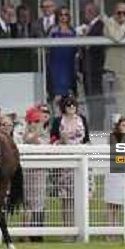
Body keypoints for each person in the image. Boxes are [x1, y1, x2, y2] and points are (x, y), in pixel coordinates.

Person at [50, 95, 90, 232]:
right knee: (66, 198)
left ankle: (80, 228)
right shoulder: (57, 121)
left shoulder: (82, 119)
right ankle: (67, 229)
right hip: (65, 162)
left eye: (73, 104)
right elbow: (52, 139)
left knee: (80, 196)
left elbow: (87, 140)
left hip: (81, 159)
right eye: (68, 105)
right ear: (63, 107)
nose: (71, 107)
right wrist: (61, 140)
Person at [104, 2, 125, 119]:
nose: (122, 16)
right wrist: (124, 28)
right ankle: (122, 122)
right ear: (114, 13)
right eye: (119, 13)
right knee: (121, 96)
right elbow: (116, 37)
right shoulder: (109, 22)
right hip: (118, 65)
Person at [22, 106, 51, 238]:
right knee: (27, 202)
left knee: (39, 202)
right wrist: (36, 133)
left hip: (40, 172)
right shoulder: (24, 134)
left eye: (39, 121)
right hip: (27, 172)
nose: (37, 124)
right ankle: (26, 233)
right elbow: (29, 139)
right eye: (34, 121)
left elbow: (47, 149)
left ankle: (37, 233)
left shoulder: (45, 134)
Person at [77, 1, 105, 131]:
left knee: (96, 97)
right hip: (88, 68)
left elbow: (93, 46)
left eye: (86, 11)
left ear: (92, 12)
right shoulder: (90, 26)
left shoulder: (99, 25)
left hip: (94, 68)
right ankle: (94, 122)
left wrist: (84, 38)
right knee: (90, 97)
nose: (84, 14)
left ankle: (97, 124)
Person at [48, 7, 78, 109]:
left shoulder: (72, 30)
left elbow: (76, 48)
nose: (63, 17)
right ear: (57, 16)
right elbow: (47, 45)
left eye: (66, 15)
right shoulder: (53, 30)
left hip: (69, 63)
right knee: (57, 94)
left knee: (69, 95)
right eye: (61, 15)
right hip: (57, 64)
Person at [105, 118, 125, 232]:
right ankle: (111, 230)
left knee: (123, 203)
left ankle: (122, 230)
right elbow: (118, 149)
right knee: (112, 204)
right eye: (123, 125)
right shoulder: (113, 136)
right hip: (114, 173)